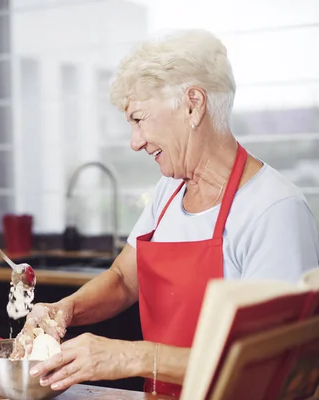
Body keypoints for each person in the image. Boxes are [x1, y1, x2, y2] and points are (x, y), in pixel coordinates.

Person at [20, 29, 319, 397]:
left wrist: (131, 357)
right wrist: (65, 310)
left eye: (139, 119)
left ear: (193, 105)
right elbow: (124, 280)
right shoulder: (168, 192)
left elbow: (271, 363)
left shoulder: (273, 210)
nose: (135, 142)